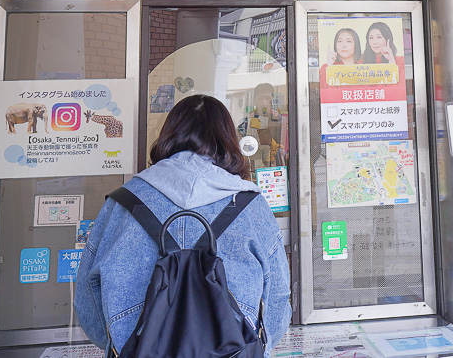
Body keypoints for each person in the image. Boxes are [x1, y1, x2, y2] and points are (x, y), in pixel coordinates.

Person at [74, 94, 291, 357]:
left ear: (168, 135)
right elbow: (277, 298)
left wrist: (119, 342)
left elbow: (87, 299)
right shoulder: (251, 205)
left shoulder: (122, 202)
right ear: (227, 140)